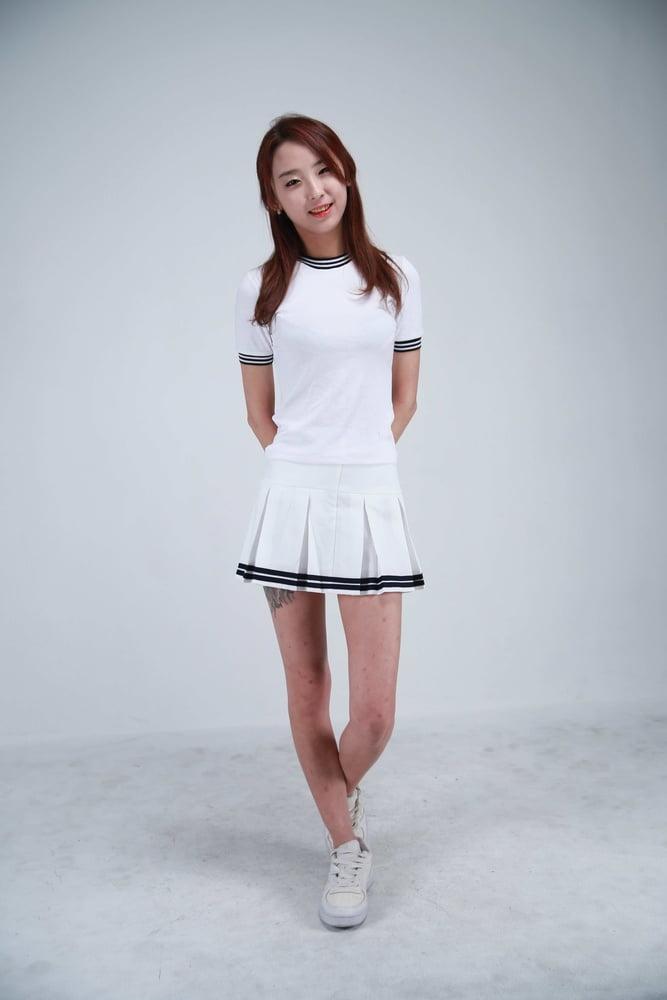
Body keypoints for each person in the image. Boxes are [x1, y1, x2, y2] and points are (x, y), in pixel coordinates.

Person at [234, 113, 425, 929]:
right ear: (272, 201)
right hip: (291, 502)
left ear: (344, 172)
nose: (313, 191)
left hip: (370, 499)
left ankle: (336, 797)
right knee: (308, 690)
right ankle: (346, 846)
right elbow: (260, 414)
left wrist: (358, 462)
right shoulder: (261, 289)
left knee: (374, 714)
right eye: (291, 180)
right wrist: (305, 469)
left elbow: (403, 400)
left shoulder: (395, 278)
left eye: (322, 170)